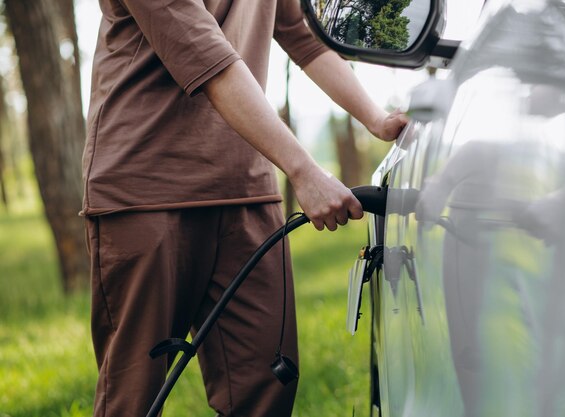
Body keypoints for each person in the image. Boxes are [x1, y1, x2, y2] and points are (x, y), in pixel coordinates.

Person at [82, 0, 408, 416]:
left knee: (266, 386)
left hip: (247, 190)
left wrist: (376, 119)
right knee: (132, 397)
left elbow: (303, 38)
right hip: (147, 192)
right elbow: (209, 58)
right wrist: (303, 170)